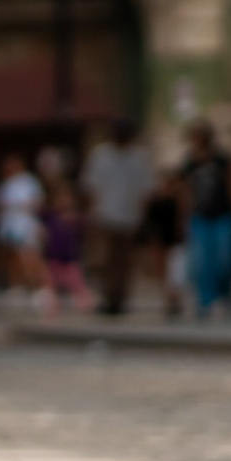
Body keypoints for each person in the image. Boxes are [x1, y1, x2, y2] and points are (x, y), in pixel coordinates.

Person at [80, 119, 156, 317]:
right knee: (103, 260)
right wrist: (92, 214)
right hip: (105, 215)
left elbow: (145, 191)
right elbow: (91, 187)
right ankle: (106, 296)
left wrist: (142, 218)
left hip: (129, 218)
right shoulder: (100, 155)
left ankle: (119, 299)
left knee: (124, 262)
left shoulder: (139, 157)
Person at [179, 119, 231, 318]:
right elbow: (185, 191)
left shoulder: (222, 160)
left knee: (224, 258)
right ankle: (204, 300)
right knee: (201, 261)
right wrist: (183, 216)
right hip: (200, 217)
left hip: (222, 215)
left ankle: (226, 293)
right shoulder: (190, 162)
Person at [0, 153, 47, 305]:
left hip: (25, 224)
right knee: (13, 257)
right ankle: (17, 286)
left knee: (30, 256)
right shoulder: (6, 184)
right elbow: (0, 205)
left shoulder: (28, 181)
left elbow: (36, 203)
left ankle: (40, 287)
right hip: (9, 224)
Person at [137, 165, 186, 319]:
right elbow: (149, 220)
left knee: (175, 270)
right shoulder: (155, 200)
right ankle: (167, 299)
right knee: (162, 270)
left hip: (174, 240)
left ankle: (174, 297)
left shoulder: (179, 200)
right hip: (160, 239)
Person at [40, 182, 93, 315]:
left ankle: (86, 303)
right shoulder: (50, 217)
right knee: (50, 283)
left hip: (69, 258)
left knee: (75, 281)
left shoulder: (75, 219)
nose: (63, 202)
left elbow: (86, 225)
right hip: (52, 256)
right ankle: (52, 307)